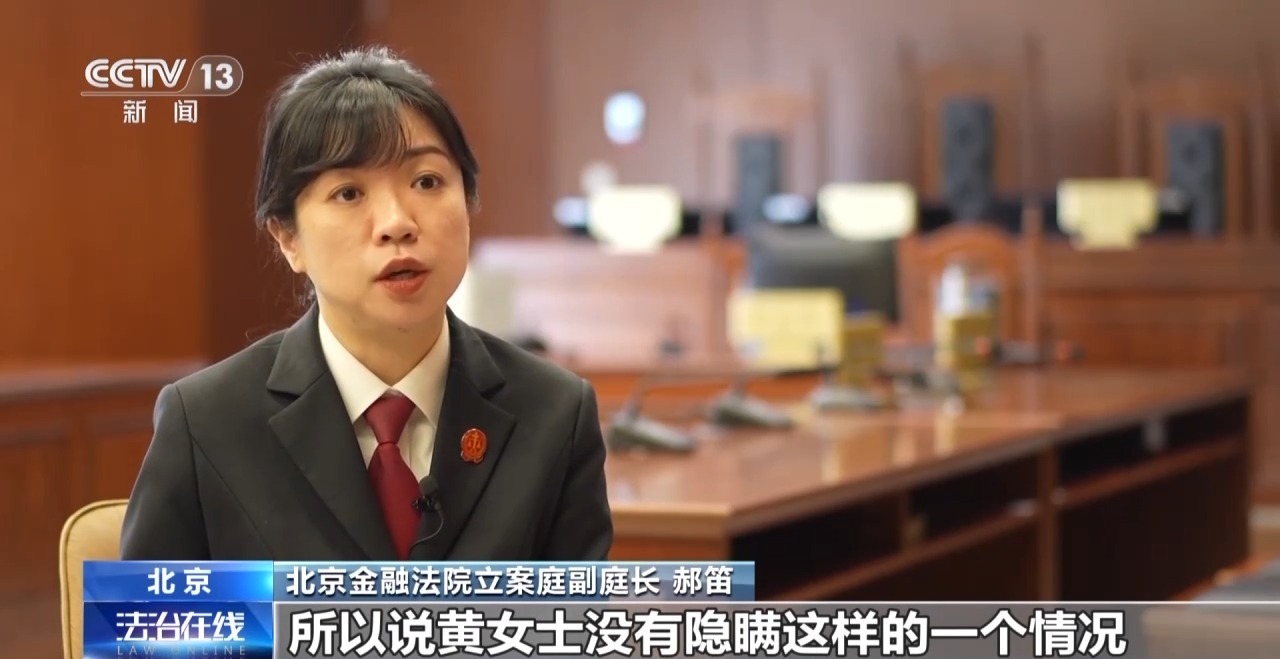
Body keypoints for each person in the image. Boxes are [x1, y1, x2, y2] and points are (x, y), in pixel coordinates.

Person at [120, 46, 613, 561]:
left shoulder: (555, 413)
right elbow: (147, 612)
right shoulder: (206, 422)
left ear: (468, 203)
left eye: (426, 181)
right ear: (287, 237)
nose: (397, 223)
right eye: (349, 193)